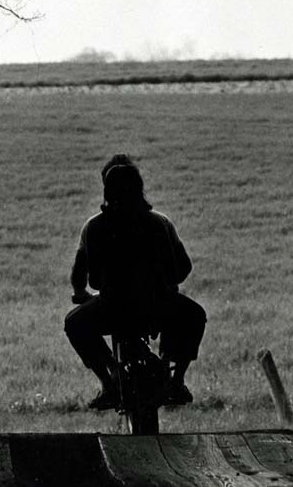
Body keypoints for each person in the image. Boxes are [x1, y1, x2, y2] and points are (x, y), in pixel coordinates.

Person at [64, 154, 207, 410]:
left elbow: (80, 274)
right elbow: (183, 268)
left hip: (112, 308)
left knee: (74, 324)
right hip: (157, 306)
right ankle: (177, 379)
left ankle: (109, 381)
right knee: (195, 315)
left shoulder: (93, 227)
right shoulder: (160, 223)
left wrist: (80, 293)